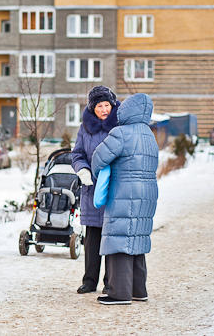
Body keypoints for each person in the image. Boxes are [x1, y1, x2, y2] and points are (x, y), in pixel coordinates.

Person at [91, 93, 159, 305]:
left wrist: (98, 173)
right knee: (137, 237)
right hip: (148, 193)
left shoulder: (121, 133)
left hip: (124, 191)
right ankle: (139, 290)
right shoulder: (149, 135)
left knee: (119, 238)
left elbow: (98, 159)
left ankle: (119, 292)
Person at [71, 85, 119, 294]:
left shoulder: (119, 127)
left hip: (114, 190)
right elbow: (78, 154)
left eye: (107, 105)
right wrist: (82, 170)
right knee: (92, 239)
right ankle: (89, 281)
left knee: (111, 237)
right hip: (92, 190)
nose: (104, 109)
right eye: (99, 105)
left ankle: (111, 283)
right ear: (92, 108)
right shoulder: (85, 129)